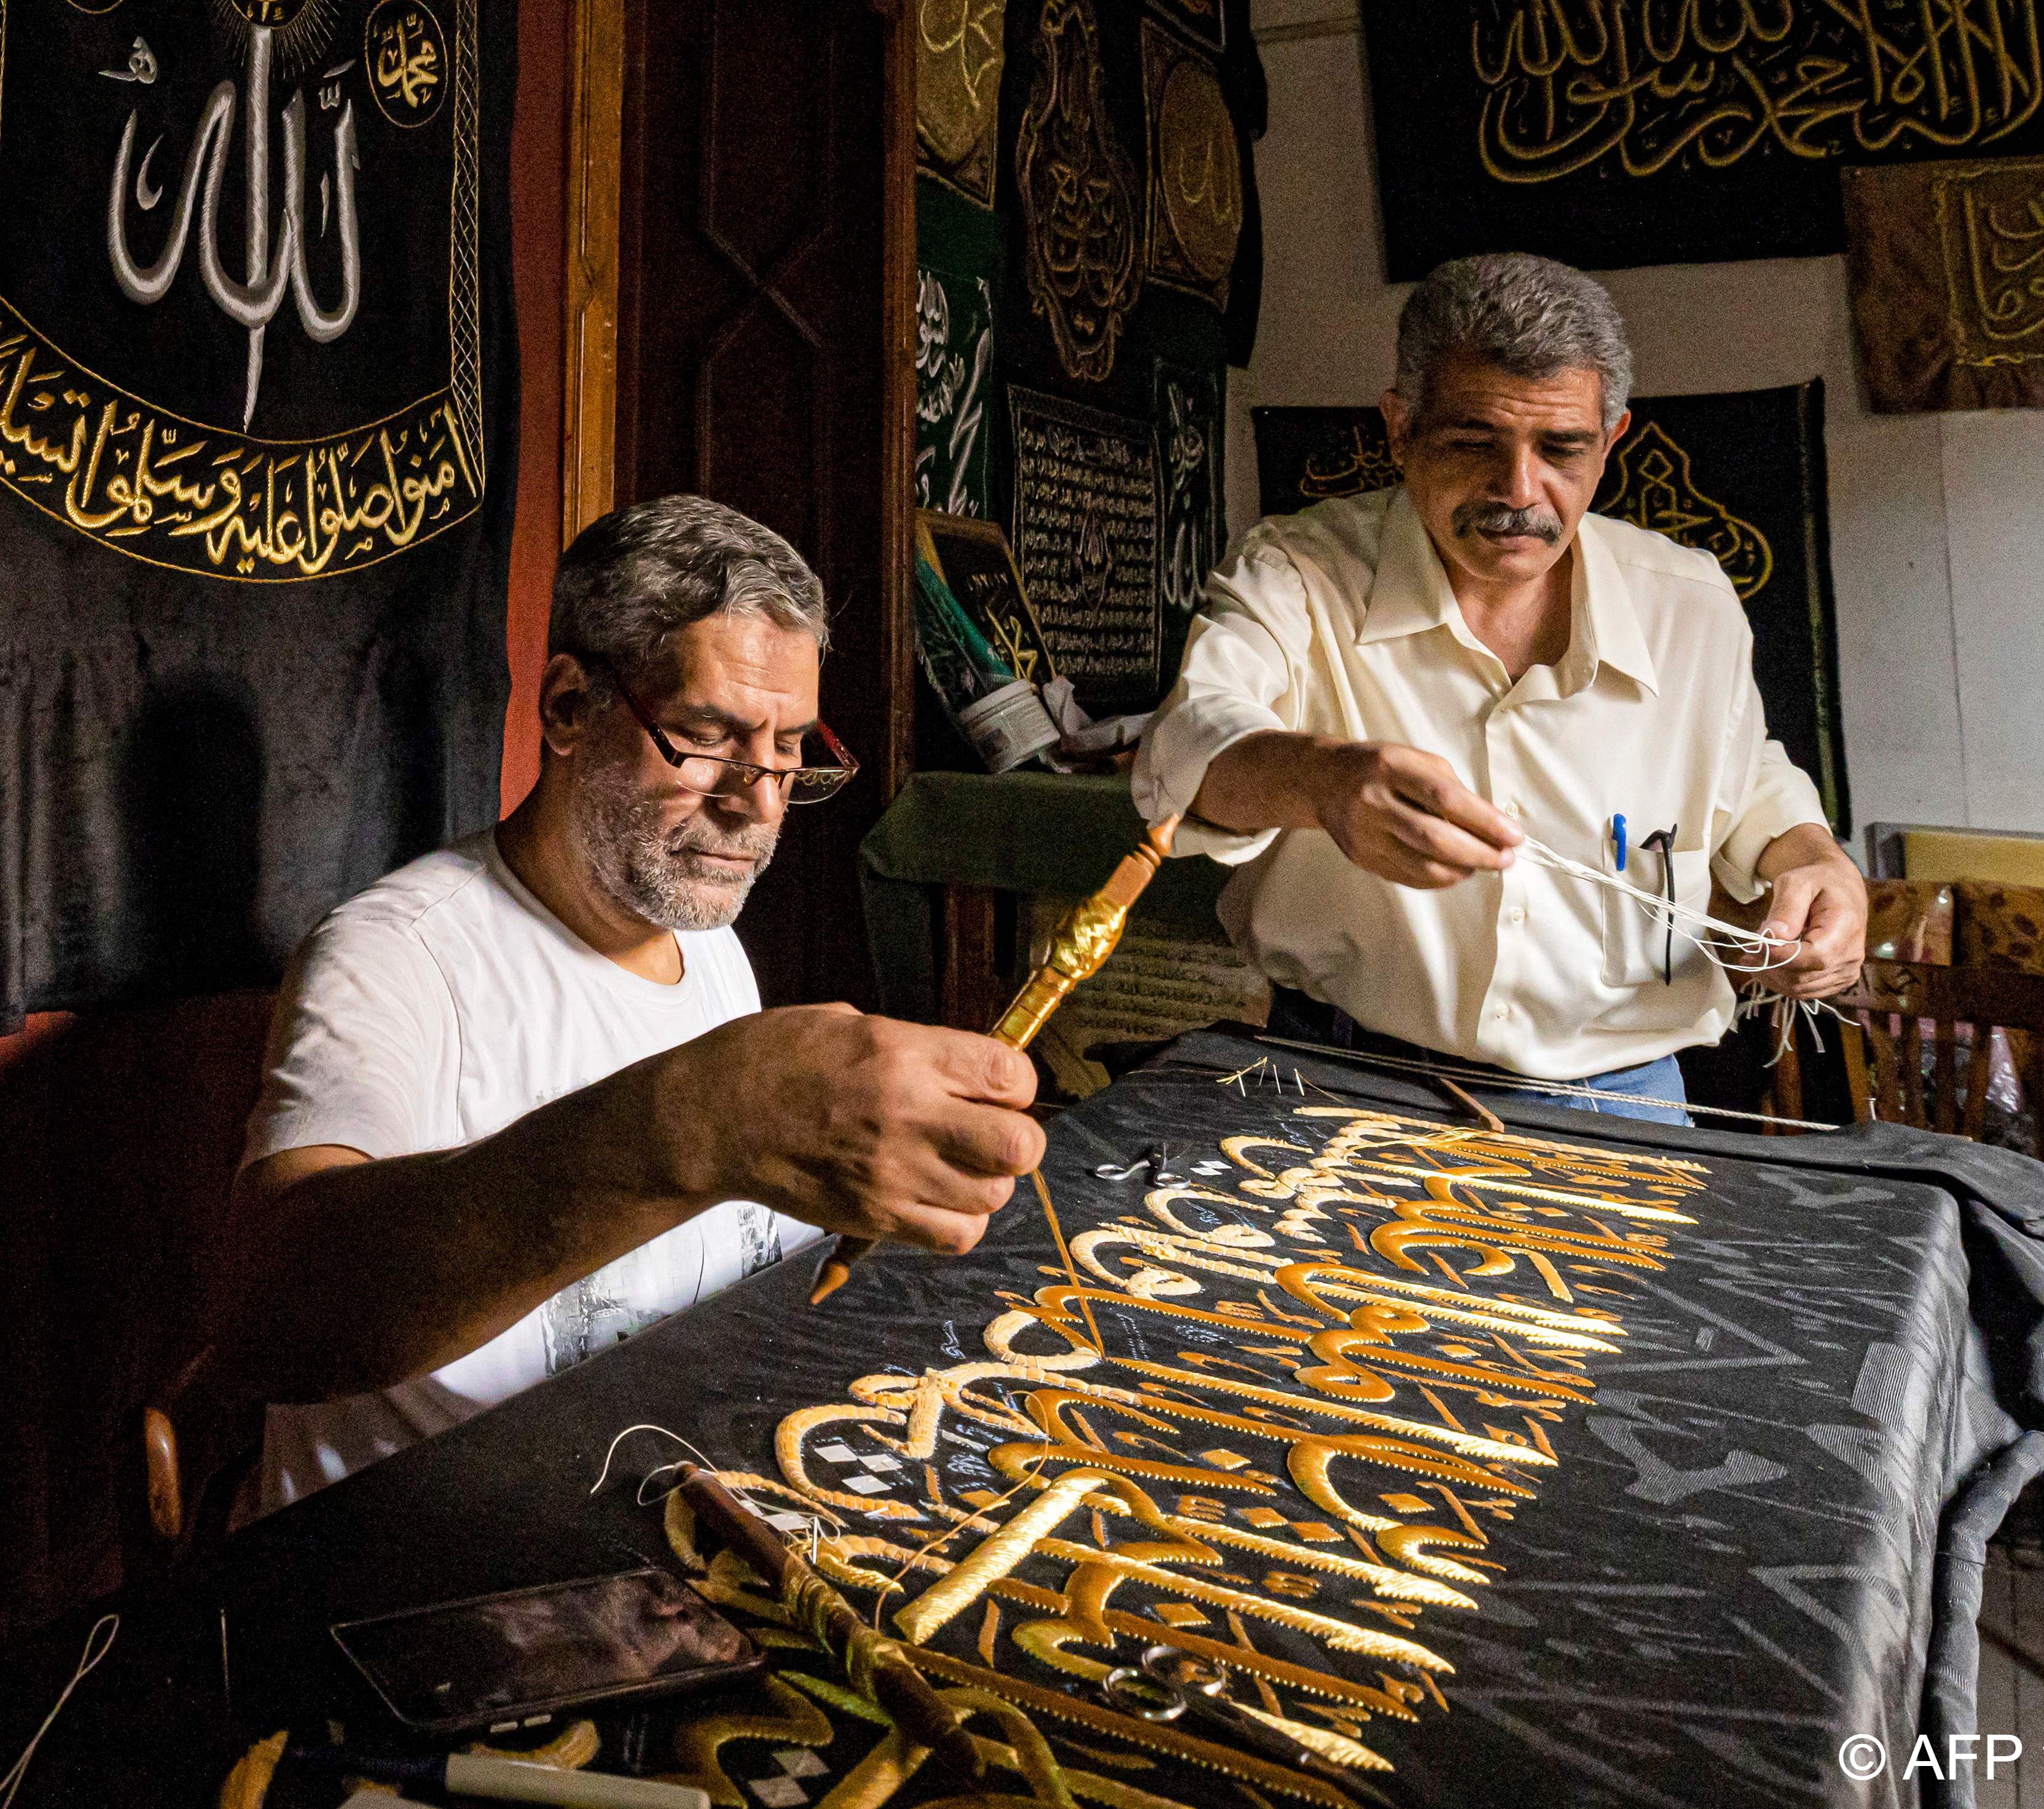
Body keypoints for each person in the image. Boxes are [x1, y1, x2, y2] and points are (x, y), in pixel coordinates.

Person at [221, 495, 1045, 1510]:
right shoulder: (397, 959)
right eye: (707, 740)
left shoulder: (712, 952)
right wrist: (699, 1114)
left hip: (654, 1525)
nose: (762, 803)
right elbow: (275, 1312)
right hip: (430, 1573)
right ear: (569, 707)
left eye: (790, 750)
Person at [1134, 253, 1866, 1124]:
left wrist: (1813, 860)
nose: (1519, 490)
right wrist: (1324, 781)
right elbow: (1187, 749)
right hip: (1344, 1083)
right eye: (1474, 442)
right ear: (1401, 428)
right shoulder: (1297, 573)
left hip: (1625, 1104)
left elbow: (1743, 781)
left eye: (1562, 448)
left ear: (1613, 441)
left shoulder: (1689, 601)